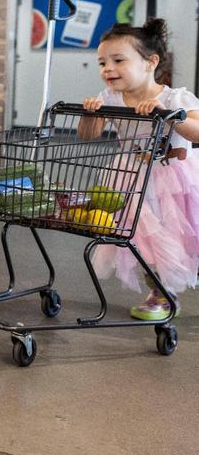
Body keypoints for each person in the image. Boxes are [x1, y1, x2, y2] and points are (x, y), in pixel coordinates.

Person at [80, 18, 199, 321]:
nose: (108, 69)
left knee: (175, 237)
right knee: (144, 239)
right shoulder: (110, 98)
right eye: (102, 62)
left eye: (118, 60)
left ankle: (169, 284)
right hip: (131, 177)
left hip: (173, 179)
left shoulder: (175, 97)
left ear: (150, 62)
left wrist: (169, 116)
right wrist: (91, 114)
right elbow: (88, 135)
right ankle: (160, 292)